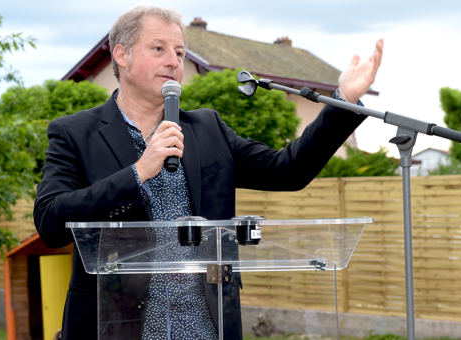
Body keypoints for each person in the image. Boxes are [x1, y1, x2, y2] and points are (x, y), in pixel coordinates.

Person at [34, 4, 383, 340]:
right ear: (122, 56)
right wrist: (138, 172)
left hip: (207, 327)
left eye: (180, 53)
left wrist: (345, 100)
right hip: (116, 324)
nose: (173, 61)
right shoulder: (75, 133)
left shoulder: (208, 128)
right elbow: (50, 221)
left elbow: (286, 171)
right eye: (159, 48)